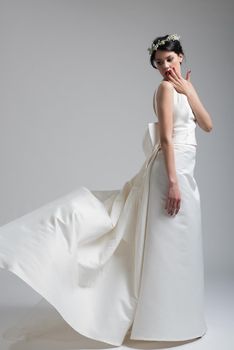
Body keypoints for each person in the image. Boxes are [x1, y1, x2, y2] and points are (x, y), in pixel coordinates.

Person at [0, 33, 212, 346]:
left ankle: (180, 320)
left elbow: (207, 125)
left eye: (169, 59)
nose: (165, 66)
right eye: (158, 63)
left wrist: (190, 91)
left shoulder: (184, 88)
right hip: (169, 173)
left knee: (181, 245)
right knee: (164, 246)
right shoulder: (165, 89)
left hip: (185, 172)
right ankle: (157, 324)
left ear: (180, 56)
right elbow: (166, 140)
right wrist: (172, 183)